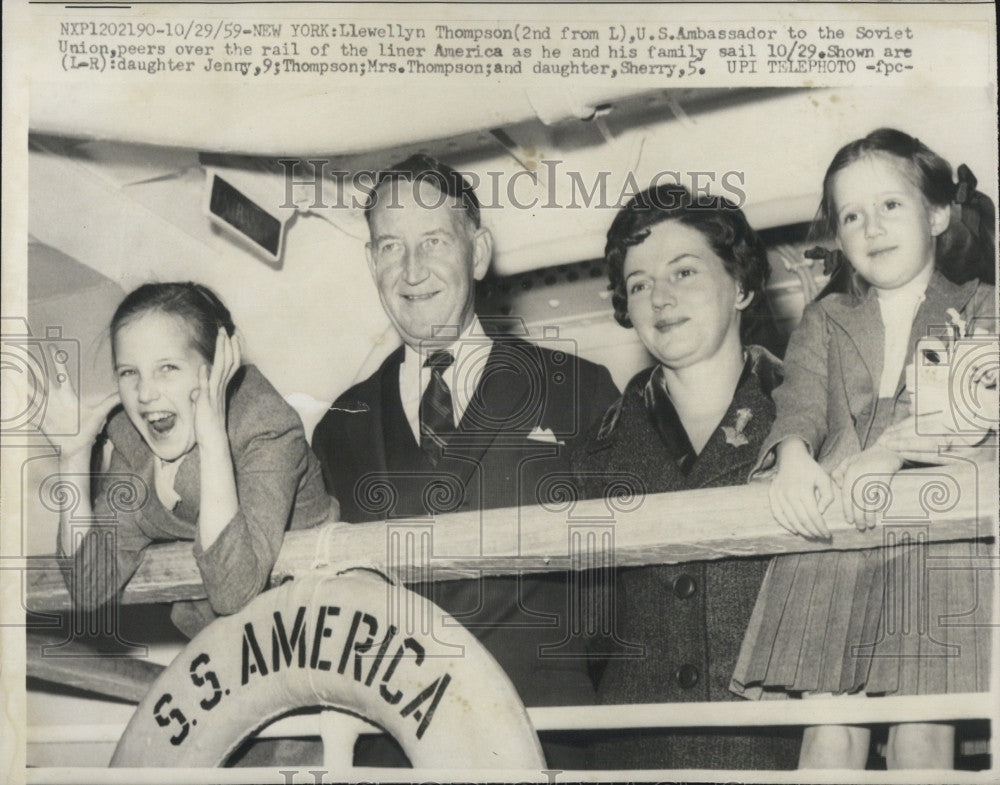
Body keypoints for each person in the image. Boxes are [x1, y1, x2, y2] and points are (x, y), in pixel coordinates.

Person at [311, 154, 620, 767]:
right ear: (372, 262)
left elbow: (616, 597)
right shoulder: (337, 427)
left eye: (432, 241)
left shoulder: (577, 388)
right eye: (391, 247)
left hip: (546, 738)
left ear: (476, 253)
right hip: (394, 753)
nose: (412, 269)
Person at [730, 128, 995, 769]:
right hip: (837, 535)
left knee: (921, 728)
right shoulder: (825, 319)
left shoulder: (982, 305)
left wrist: (894, 452)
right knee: (828, 726)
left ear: (936, 214)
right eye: (852, 215)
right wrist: (792, 455)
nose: (871, 227)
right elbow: (798, 400)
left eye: (890, 206)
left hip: (937, 537)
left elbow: (966, 406)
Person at [571, 182, 800, 769]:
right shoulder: (591, 454)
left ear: (743, 285)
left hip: (778, 758)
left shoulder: (813, 427)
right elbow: (590, 639)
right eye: (639, 283)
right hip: (634, 760)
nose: (659, 298)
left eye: (684, 272)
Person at [41, 282, 334, 638]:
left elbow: (233, 592)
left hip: (323, 629)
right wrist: (72, 457)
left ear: (217, 366)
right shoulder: (131, 442)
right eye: (129, 372)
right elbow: (89, 587)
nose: (145, 394)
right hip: (230, 649)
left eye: (167, 368)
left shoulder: (265, 426)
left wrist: (213, 442)